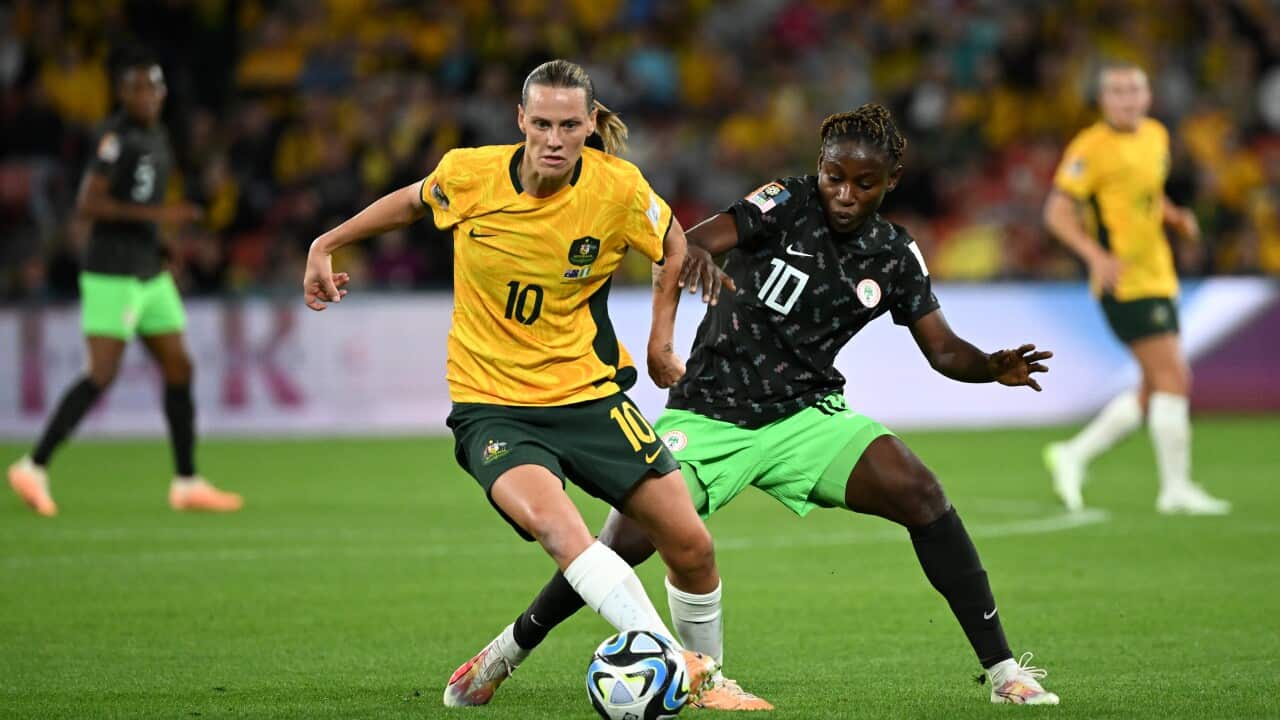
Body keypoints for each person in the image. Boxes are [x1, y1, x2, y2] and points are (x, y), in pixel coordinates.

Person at [448, 103, 1061, 708]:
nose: (844, 194)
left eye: (863, 183)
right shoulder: (785, 202)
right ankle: (508, 649)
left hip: (806, 418)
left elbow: (944, 351)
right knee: (624, 542)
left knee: (923, 494)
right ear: (818, 168)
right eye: (834, 177)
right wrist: (703, 260)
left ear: (890, 182)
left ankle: (1005, 671)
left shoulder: (895, 255)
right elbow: (688, 243)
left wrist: (989, 367)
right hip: (711, 412)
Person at [301, 59, 730, 708]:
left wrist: (660, 339)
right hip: (495, 409)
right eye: (542, 125)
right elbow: (412, 202)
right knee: (564, 534)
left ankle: (511, 651)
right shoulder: (470, 176)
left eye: (569, 125)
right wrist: (325, 244)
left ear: (590, 124)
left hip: (589, 397)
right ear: (520, 122)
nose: (555, 139)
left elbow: (674, 243)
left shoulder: (616, 189)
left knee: (692, 546)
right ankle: (682, 671)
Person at [8, 48, 242, 516]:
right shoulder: (113, 137)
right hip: (111, 271)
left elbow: (134, 202)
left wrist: (160, 242)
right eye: (139, 87)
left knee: (179, 367)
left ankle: (186, 481)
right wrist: (163, 216)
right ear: (122, 92)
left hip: (148, 272)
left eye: (155, 87)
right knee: (102, 374)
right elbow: (89, 205)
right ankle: (32, 467)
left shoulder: (157, 135)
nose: (149, 95)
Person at [1043, 63, 1230, 516]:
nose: (1127, 99)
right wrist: (1095, 256)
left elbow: (1146, 196)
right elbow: (1056, 212)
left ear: (1147, 97)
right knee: (1174, 378)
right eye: (1117, 91)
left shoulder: (1156, 137)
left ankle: (1074, 455)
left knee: (1154, 386)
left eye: (1134, 90)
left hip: (1160, 274)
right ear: (1103, 100)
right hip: (1123, 282)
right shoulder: (1090, 147)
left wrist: (1174, 216)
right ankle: (1175, 489)